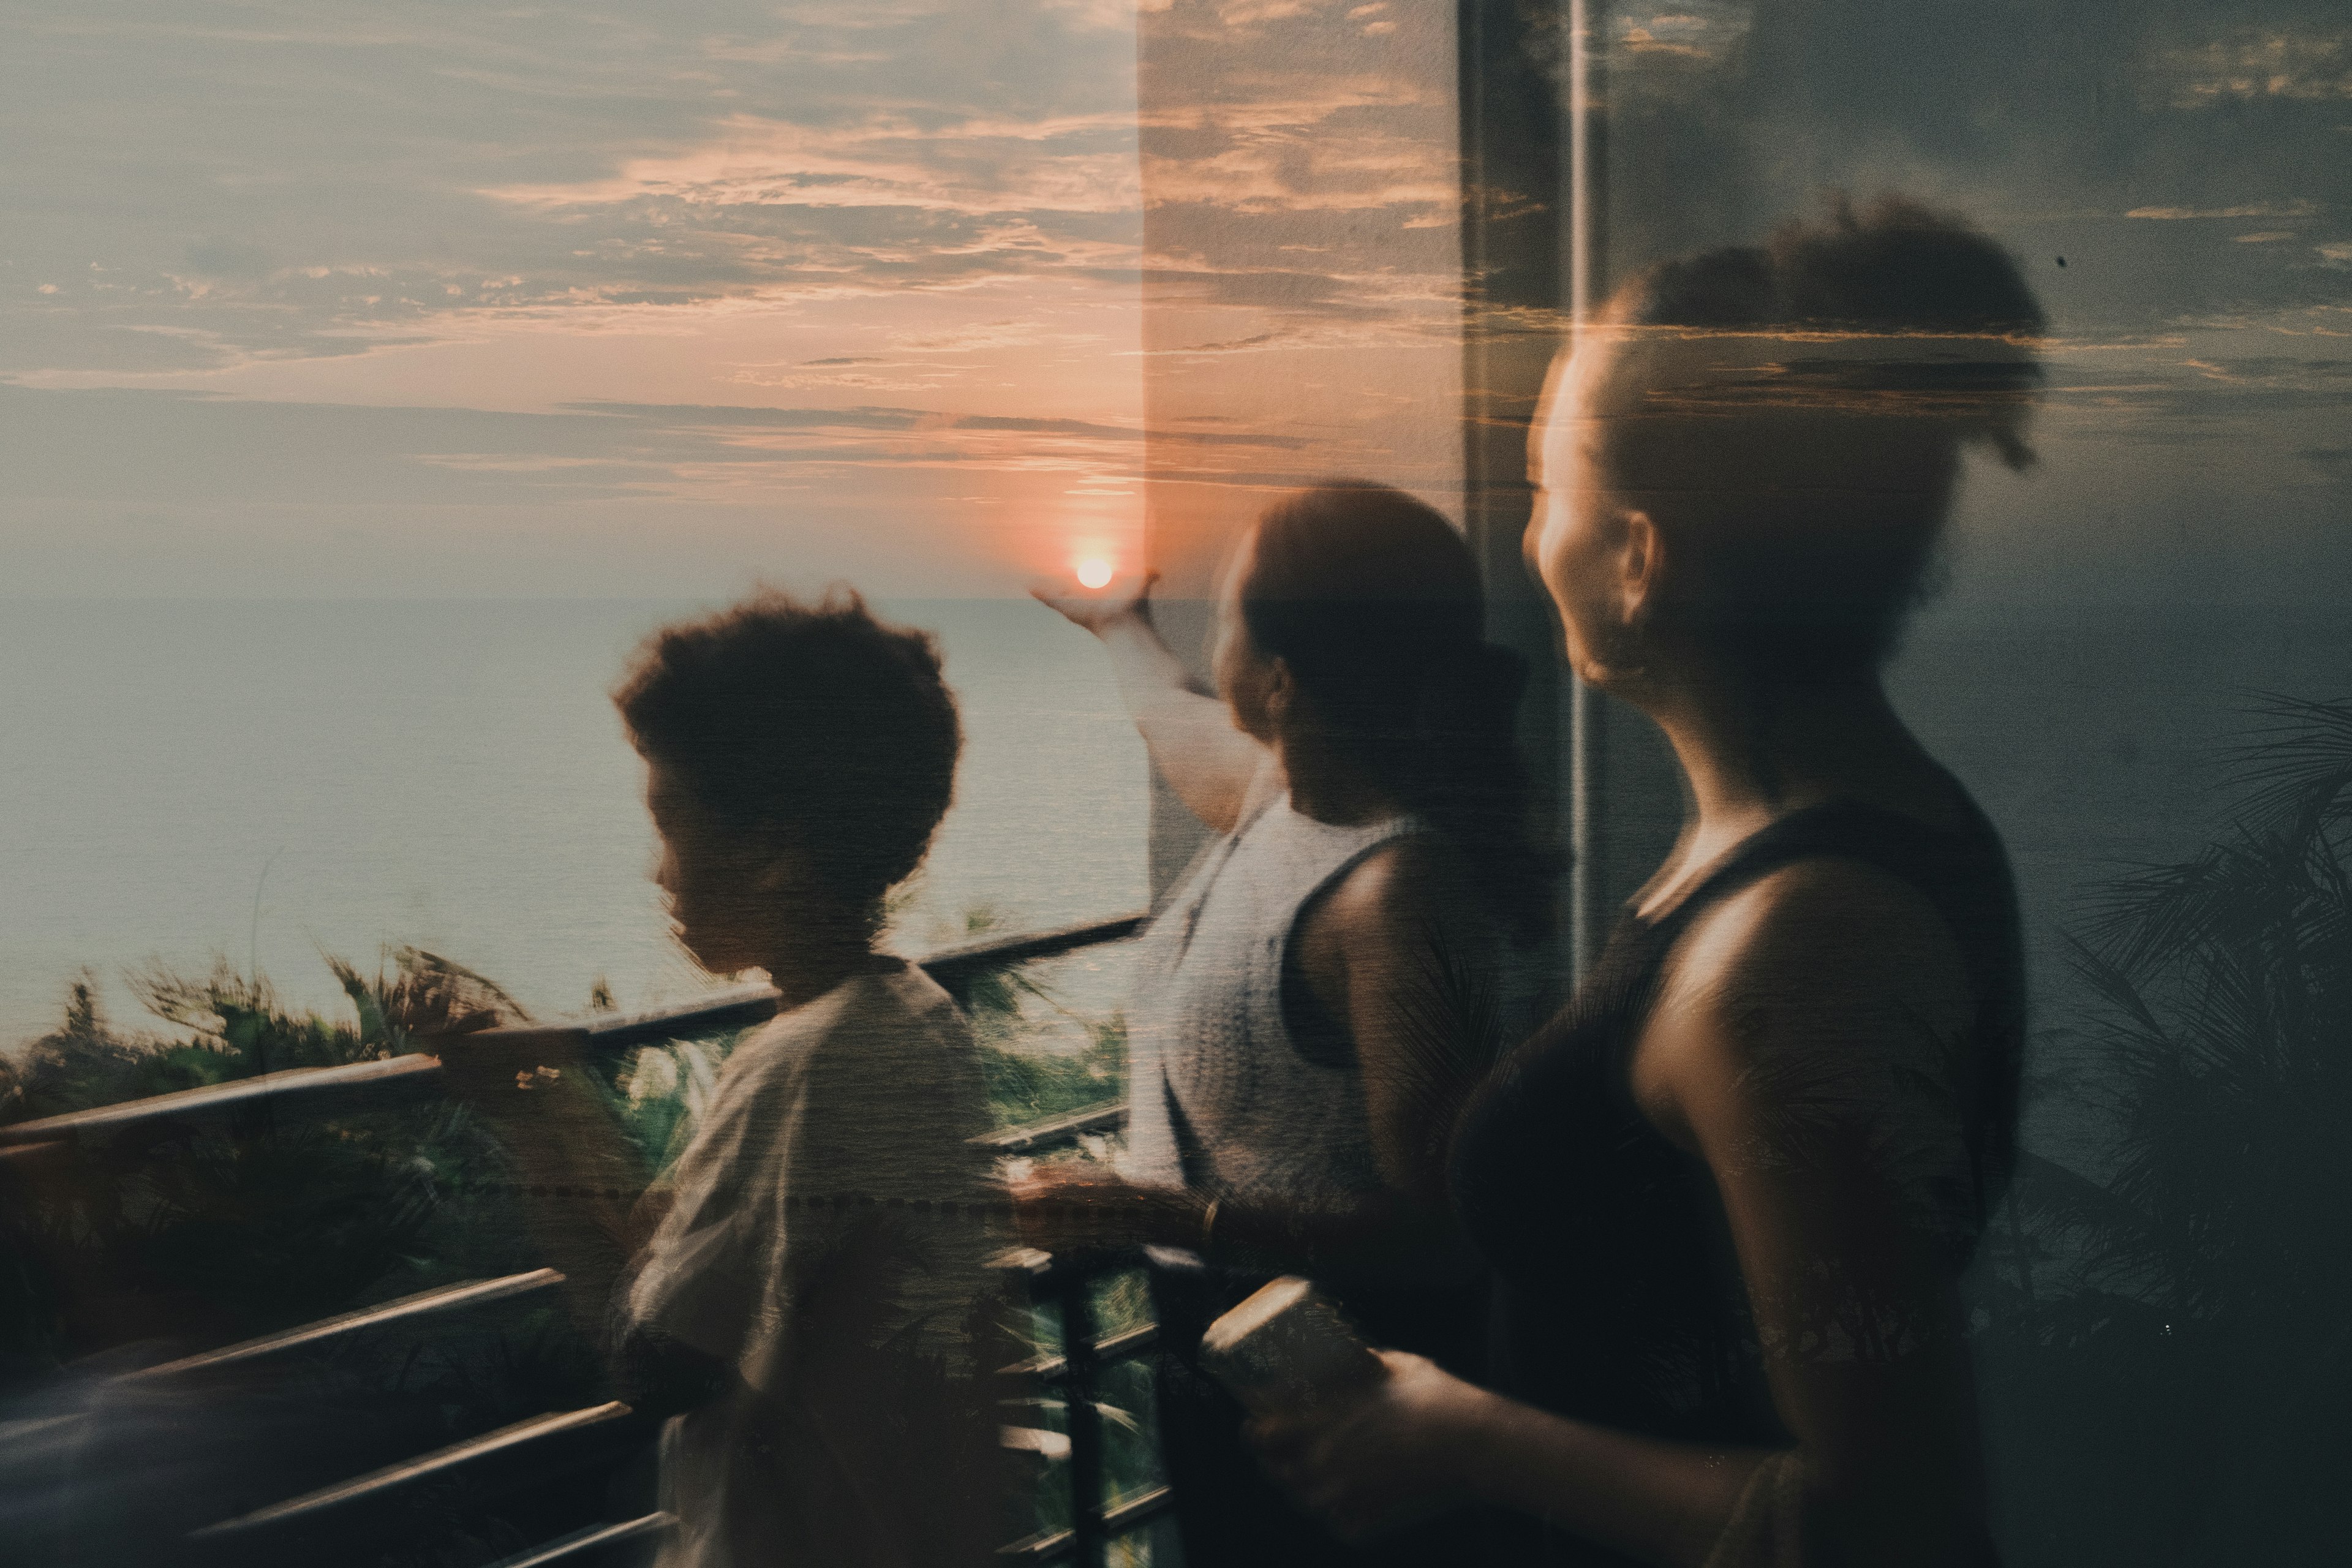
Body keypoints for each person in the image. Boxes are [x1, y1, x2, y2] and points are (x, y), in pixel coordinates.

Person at [1253, 197, 2045, 1567]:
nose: (1527, 532)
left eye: (1548, 482)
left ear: (1635, 561)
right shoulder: (1816, 848)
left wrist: (1465, 1433)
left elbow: (1890, 1523)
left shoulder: (1789, 956)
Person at [1020, 481, 1555, 1566]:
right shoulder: (1284, 798)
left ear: (1279, 679)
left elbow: (1441, 1232)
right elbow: (1176, 715)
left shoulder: (1395, 898)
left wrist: (1159, 1214)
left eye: (1223, 616)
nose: (1206, 641)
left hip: (1353, 1398)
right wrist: (1120, 622)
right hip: (1244, 1375)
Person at [440, 588, 1008, 1568]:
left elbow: (651, 1358)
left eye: (672, 824)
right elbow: (686, 1267)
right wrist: (550, 1094)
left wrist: (534, 1123)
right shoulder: (912, 1017)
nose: (660, 873)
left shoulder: (807, 1067)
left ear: (778, 853)